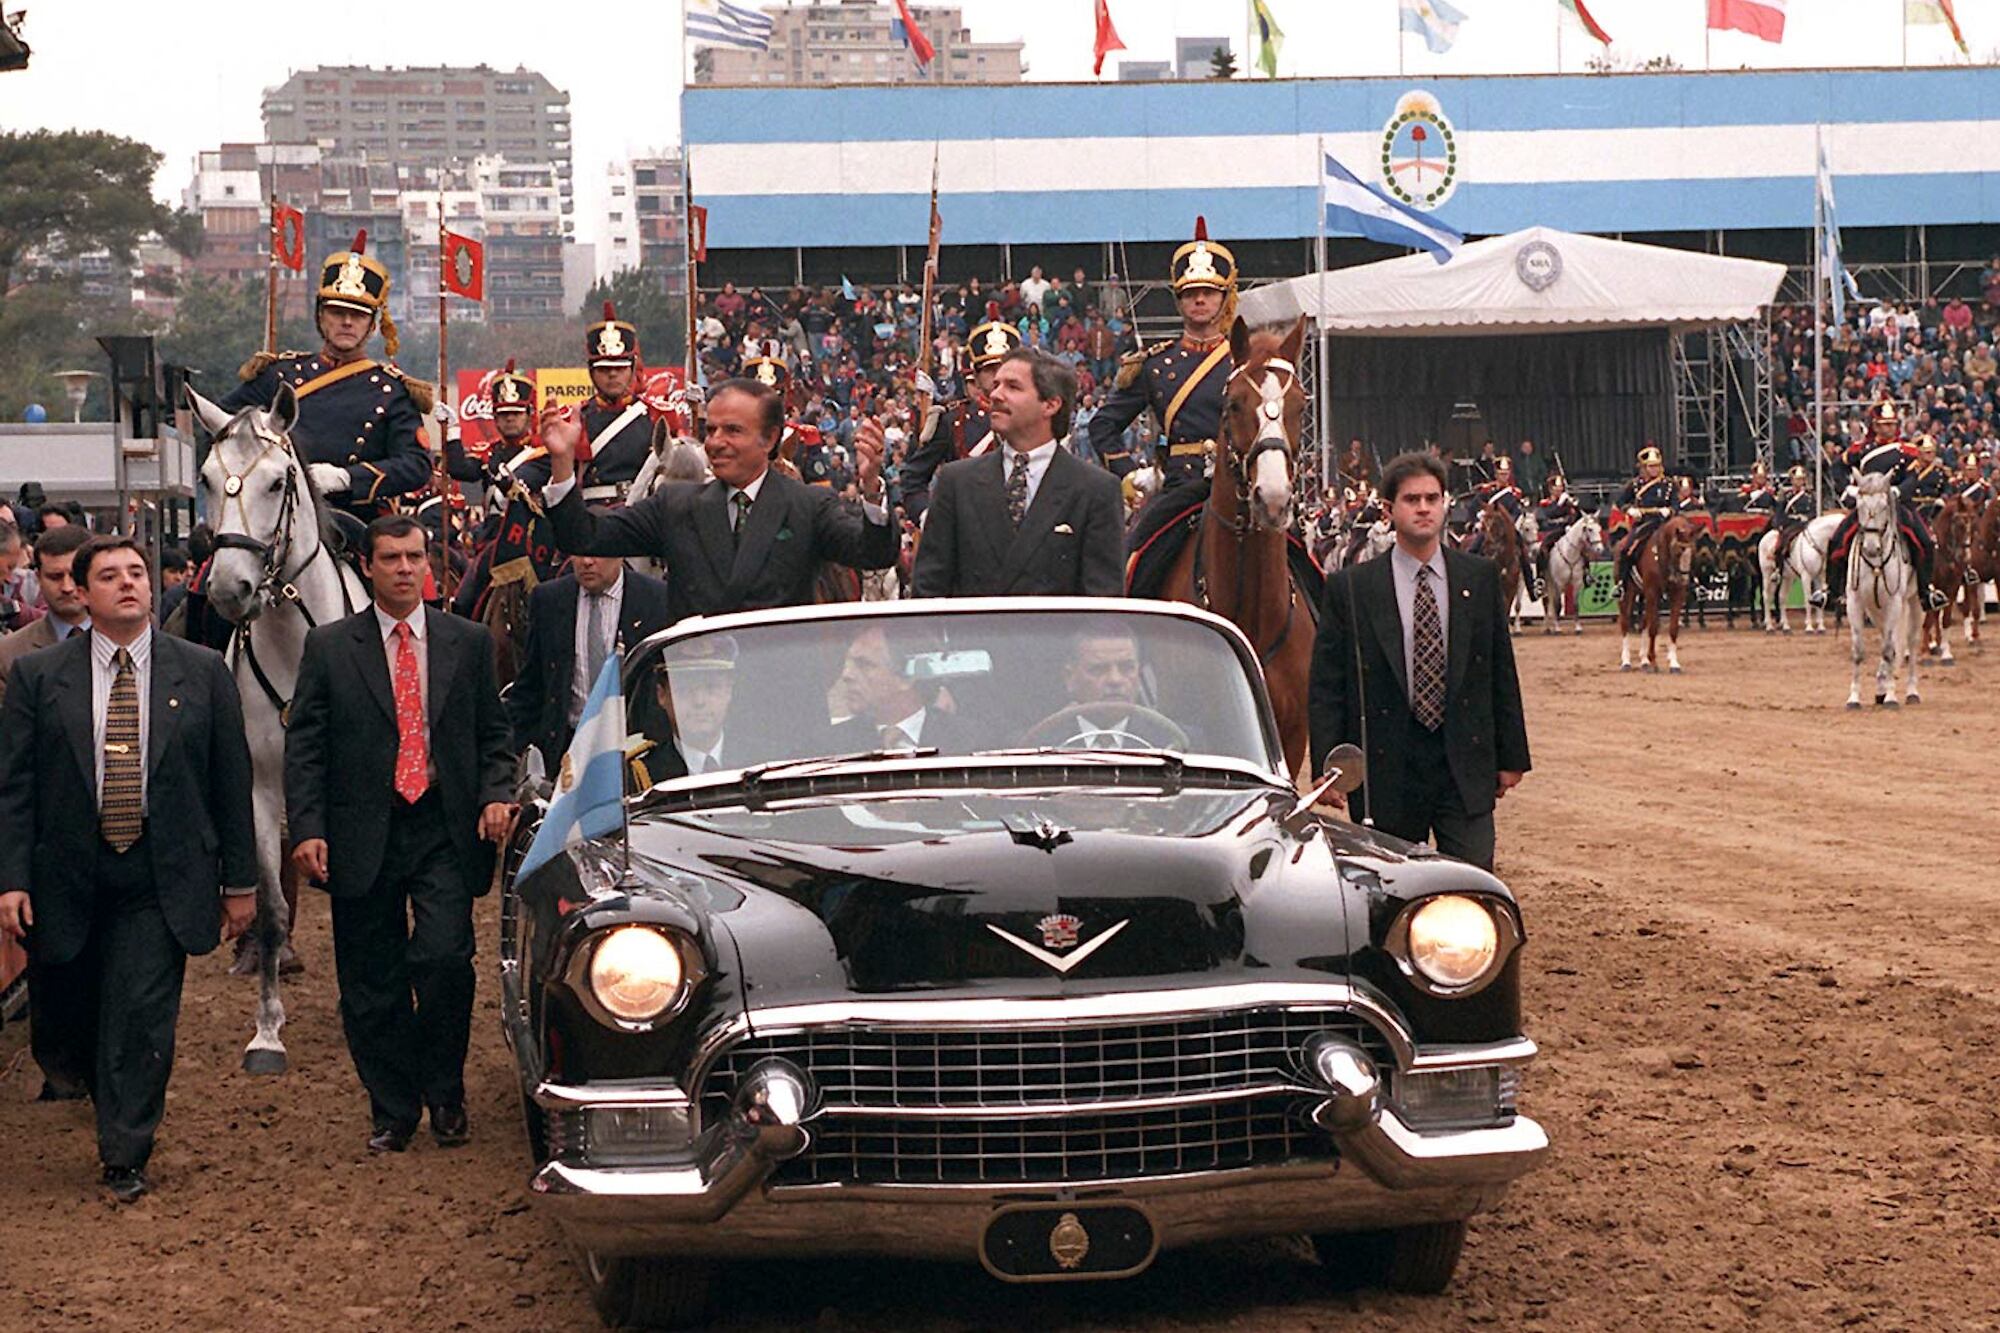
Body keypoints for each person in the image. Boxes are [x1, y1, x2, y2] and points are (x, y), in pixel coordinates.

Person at [0, 536, 256, 1201]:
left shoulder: (201, 672)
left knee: (142, 1013)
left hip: (159, 870)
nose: (128, 584)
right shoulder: (38, 676)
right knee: (67, 1019)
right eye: (109, 576)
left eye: (137, 572)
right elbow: (16, 787)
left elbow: (231, 783)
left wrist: (241, 882)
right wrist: (11, 878)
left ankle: (125, 1149)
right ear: (82, 593)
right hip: (66, 870)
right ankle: (81, 1071)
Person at [284, 515, 515, 1154]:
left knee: (443, 959)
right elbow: (304, 746)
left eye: (416, 556)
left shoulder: (466, 643)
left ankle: (445, 1093)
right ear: (368, 565)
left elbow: (495, 735)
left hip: (443, 823)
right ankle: (392, 1108)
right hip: (362, 828)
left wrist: (499, 792)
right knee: (369, 978)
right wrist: (307, 827)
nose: (406, 568)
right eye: (391, 558)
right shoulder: (330, 648)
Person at [1307, 452, 1531, 871]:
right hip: (1385, 772)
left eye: (1432, 498)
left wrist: (1511, 755)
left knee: (1472, 888)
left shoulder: (1479, 578)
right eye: (1412, 500)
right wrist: (1329, 762)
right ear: (1389, 510)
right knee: (1387, 895)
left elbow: (1499, 669)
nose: (1424, 508)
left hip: (1463, 767)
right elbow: (1326, 686)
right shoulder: (1350, 589)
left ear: (1446, 503)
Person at [537, 377, 898, 623]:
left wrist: (869, 487)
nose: (716, 442)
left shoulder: (807, 505)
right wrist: (562, 461)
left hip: (783, 696)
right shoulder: (675, 505)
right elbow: (584, 537)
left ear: (770, 439)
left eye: (733, 431)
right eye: (711, 430)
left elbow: (873, 553)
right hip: (698, 698)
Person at [220, 230, 433, 521]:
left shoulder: (391, 389)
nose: (347, 322)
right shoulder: (279, 375)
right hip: (274, 515)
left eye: (357, 315)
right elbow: (224, 423)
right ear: (321, 316)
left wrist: (347, 477)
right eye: (337, 312)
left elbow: (416, 465)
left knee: (406, 561)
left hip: (356, 518)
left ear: (372, 325)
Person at [911, 349, 1124, 599]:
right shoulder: (956, 482)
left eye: (1013, 387)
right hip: (971, 637)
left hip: (1057, 637)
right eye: (997, 384)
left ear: (1051, 404)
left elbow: (1103, 606)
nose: (995, 394)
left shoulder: (1096, 490)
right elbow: (928, 591)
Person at [1088, 217, 1236, 489]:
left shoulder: (1243, 362)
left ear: (1225, 298)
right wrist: (1131, 475)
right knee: (1144, 533)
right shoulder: (1155, 365)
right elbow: (1103, 425)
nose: (1199, 299)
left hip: (1238, 487)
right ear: (1179, 300)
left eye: (1208, 292)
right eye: (1190, 293)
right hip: (1181, 486)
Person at [507, 554, 671, 765]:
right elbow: (530, 688)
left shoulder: (656, 599)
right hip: (567, 754)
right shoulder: (549, 600)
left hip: (638, 750)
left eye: (598, 553)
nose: (587, 562)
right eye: (579, 551)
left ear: (619, 553)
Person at [1823, 401, 1945, 609]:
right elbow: (1837, 468)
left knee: (1925, 541)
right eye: (1884, 424)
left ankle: (1926, 592)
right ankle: (1831, 591)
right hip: (1868, 505)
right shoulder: (1861, 449)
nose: (1889, 428)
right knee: (1838, 539)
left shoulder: (1907, 450)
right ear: (1875, 426)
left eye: (1892, 424)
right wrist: (1847, 489)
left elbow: (1913, 477)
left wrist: (1899, 491)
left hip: (1898, 505)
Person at [900, 317, 1021, 519]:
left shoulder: (1035, 418)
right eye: (990, 370)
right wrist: (929, 519)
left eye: (1005, 368)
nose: (998, 376)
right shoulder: (953, 420)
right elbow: (913, 479)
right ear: (977, 375)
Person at [568, 302, 664, 508]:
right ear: (591, 372)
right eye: (604, 369)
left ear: (631, 369)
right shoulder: (576, 418)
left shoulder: (655, 415)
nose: (612, 374)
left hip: (641, 513)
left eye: (619, 368)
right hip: (593, 515)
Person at [827, 624, 978, 754]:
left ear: (908, 677)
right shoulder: (832, 745)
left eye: (865, 665)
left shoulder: (970, 741)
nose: (846, 675)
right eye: (848, 664)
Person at [0, 522, 91, 708]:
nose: (67, 587)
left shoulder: (129, 636)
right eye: (55, 577)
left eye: (74, 576)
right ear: (38, 578)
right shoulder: (9, 654)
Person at [1613, 445, 1676, 590]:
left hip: (1663, 523)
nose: (1654, 469)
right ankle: (1622, 583)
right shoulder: (1635, 485)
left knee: (1684, 547)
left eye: (1656, 466)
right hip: (1644, 523)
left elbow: (1676, 504)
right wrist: (1630, 510)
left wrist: (1669, 510)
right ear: (1644, 468)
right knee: (1626, 549)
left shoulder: (1669, 484)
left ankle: (1692, 583)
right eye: (1650, 466)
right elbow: (1620, 502)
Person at [1532, 473, 1583, 602]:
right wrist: (1559, 504)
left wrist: (1573, 507)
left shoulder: (1567, 501)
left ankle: (1586, 574)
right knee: (1542, 550)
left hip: (1567, 531)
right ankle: (1540, 579)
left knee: (1583, 548)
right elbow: (1548, 515)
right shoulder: (1546, 503)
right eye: (1556, 488)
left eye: (1561, 487)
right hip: (1552, 531)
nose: (1559, 490)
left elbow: (1577, 515)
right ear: (1550, 489)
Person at [1774, 464, 1816, 568]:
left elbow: (1813, 511)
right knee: (1781, 543)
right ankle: (1779, 568)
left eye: (1801, 479)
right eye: (1797, 480)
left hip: (1806, 523)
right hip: (1792, 524)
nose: (1800, 482)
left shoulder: (1810, 496)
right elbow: (1780, 512)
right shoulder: (1787, 495)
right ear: (1792, 481)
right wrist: (1782, 523)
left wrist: (1808, 518)